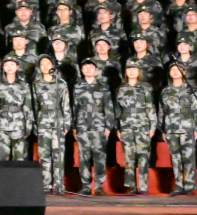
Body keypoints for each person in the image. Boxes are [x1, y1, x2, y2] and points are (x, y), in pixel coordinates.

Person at [160, 64, 197, 196]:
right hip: (171, 127)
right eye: (172, 69)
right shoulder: (165, 91)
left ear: (183, 72)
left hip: (187, 126)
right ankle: (178, 185)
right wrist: (162, 130)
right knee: (175, 158)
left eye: (178, 69)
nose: (175, 72)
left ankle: (190, 185)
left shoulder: (190, 89)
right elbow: (162, 111)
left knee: (188, 157)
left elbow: (196, 109)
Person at [73, 60, 113, 195]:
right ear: (81, 70)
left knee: (99, 155)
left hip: (99, 124)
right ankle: (85, 185)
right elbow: (74, 107)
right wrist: (74, 126)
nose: (88, 69)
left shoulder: (103, 87)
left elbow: (108, 107)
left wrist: (108, 126)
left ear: (96, 70)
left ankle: (99, 185)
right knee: (84, 156)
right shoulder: (78, 87)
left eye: (91, 67)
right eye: (85, 67)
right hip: (82, 124)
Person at [116, 62, 156, 194]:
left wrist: (152, 126)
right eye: (129, 69)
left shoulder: (145, 88)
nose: (131, 71)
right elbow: (117, 110)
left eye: (134, 69)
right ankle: (131, 185)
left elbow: (150, 107)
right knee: (129, 156)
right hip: (126, 125)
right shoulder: (121, 89)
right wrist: (117, 128)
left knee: (143, 155)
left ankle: (143, 186)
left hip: (142, 124)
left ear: (139, 72)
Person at [33, 58, 71, 194]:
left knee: (58, 154)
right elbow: (34, 105)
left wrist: (67, 123)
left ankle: (59, 185)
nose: (44, 66)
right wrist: (34, 124)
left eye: (47, 64)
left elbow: (65, 104)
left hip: (58, 120)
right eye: (42, 64)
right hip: (42, 120)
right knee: (44, 154)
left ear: (53, 66)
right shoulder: (36, 84)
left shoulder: (60, 83)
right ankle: (46, 184)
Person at [0, 56, 34, 160]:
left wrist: (28, 127)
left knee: (19, 158)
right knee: (2, 157)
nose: (9, 67)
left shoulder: (24, 86)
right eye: (6, 65)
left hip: (19, 124)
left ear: (17, 67)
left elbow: (28, 107)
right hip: (2, 123)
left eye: (12, 64)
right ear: (3, 67)